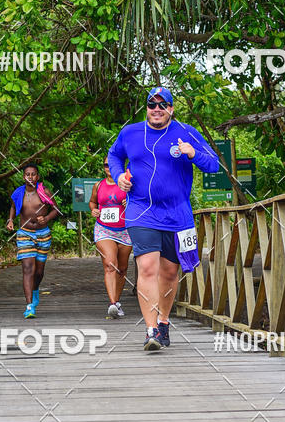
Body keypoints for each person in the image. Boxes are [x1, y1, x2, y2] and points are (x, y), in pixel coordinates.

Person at [107, 86, 219, 351]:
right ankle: (151, 330)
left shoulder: (186, 132)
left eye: (162, 104)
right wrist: (119, 175)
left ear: (171, 108)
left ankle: (164, 321)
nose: (156, 109)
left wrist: (193, 153)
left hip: (178, 216)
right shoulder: (130, 132)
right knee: (147, 268)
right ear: (146, 107)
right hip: (141, 212)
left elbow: (214, 164)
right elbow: (114, 155)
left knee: (169, 273)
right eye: (151, 104)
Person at [6, 162, 61, 318]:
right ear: (23, 176)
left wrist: (47, 218)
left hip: (43, 234)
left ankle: (35, 289)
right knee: (28, 268)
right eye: (27, 174)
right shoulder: (19, 193)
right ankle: (29, 306)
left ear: (38, 176)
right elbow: (13, 206)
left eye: (33, 174)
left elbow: (56, 210)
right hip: (25, 233)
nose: (30, 177)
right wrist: (10, 220)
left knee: (39, 272)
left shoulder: (44, 192)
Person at [89, 156, 132, 319]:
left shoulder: (127, 183)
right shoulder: (98, 185)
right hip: (104, 229)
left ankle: (117, 302)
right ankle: (112, 303)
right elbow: (92, 202)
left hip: (125, 230)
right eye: (105, 165)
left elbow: (141, 201)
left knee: (122, 269)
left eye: (111, 164)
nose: (108, 167)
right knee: (109, 264)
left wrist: (130, 203)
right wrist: (94, 210)